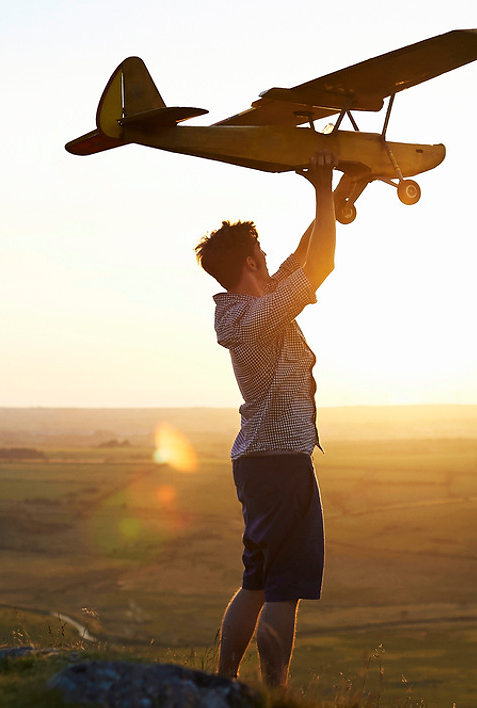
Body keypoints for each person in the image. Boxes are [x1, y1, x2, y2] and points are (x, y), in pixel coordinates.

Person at [194, 149, 340, 688]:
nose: (269, 256)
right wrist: (323, 189)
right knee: (284, 587)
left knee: (255, 580)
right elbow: (320, 265)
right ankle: (274, 696)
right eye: (262, 252)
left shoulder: (242, 309)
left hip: (258, 464)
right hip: (281, 465)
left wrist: (339, 191)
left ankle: (222, 683)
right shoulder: (262, 315)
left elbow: (303, 257)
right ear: (251, 261)